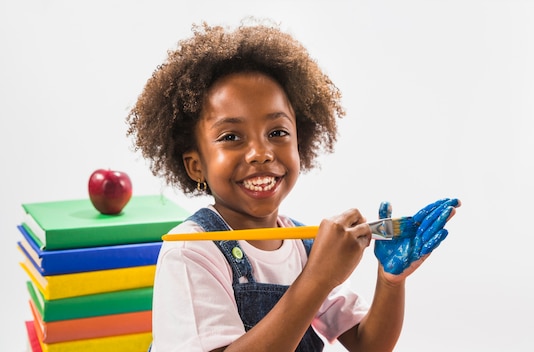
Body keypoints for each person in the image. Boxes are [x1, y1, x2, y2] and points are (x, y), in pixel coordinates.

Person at [126, 19, 460, 352]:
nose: (260, 153)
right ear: (196, 164)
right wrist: (316, 278)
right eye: (231, 137)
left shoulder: (305, 247)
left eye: (277, 133)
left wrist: (390, 281)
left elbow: (368, 345)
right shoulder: (192, 251)